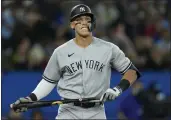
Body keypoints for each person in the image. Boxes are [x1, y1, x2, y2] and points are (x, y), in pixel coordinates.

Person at [10, 4, 141, 119]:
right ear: (72, 24)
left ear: (92, 23)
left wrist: (117, 90)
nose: (84, 22)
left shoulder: (109, 48)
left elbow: (132, 71)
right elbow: (48, 82)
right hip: (68, 112)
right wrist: (30, 98)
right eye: (79, 20)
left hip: (96, 112)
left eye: (87, 19)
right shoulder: (60, 52)